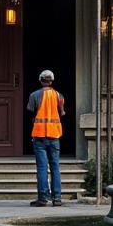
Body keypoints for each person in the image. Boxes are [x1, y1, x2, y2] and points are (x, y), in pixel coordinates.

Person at [28, 69, 66, 207]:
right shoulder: (58, 95)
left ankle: (43, 198)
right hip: (54, 136)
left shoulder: (34, 95)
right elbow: (62, 112)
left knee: (42, 168)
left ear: (40, 80)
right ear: (52, 81)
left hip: (39, 136)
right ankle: (57, 198)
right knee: (55, 167)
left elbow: (31, 112)